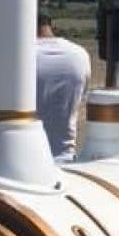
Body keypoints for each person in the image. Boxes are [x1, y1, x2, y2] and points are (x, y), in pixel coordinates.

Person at [35, 11, 91, 160]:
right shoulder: (80, 54)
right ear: (49, 25)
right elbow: (81, 97)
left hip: (26, 158)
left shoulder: (18, 56)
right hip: (65, 156)